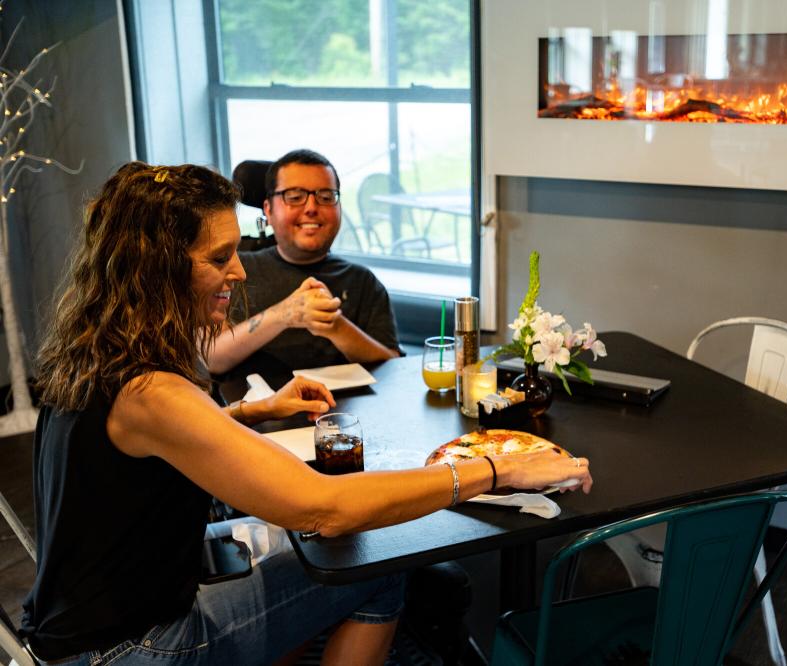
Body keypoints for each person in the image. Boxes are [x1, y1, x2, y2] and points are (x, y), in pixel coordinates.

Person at [21, 162, 592, 666]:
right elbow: (327, 508)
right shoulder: (149, 389)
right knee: (375, 565)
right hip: (131, 649)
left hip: (74, 629)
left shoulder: (95, 353)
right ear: (157, 266)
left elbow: (145, 447)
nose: (239, 271)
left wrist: (252, 410)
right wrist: (497, 470)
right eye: (220, 257)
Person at [207, 149, 398, 374]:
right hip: (255, 406)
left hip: (344, 408)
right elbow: (209, 359)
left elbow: (394, 368)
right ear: (268, 210)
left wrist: (335, 325)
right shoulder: (236, 271)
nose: (311, 208)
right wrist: (284, 314)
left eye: (326, 197)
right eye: (295, 197)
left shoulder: (362, 281)